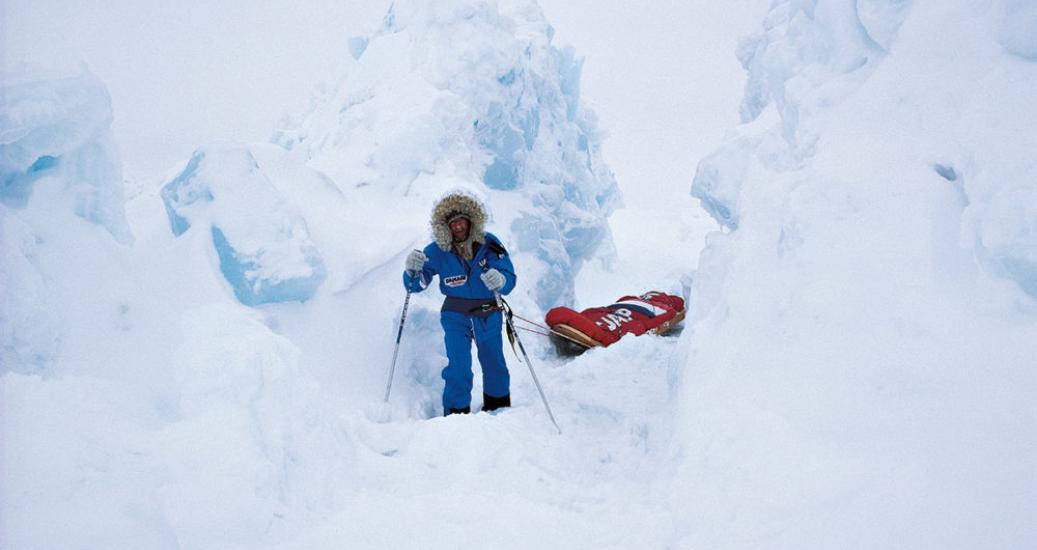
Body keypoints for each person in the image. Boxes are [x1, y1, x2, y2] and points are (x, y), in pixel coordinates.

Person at [403, 191, 517, 416]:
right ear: (445, 226)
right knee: (459, 368)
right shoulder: (436, 250)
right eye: (453, 223)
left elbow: (509, 277)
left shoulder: (489, 244)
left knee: (494, 363)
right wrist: (411, 271)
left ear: (471, 221)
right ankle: (456, 417)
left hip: (488, 311)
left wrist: (501, 280)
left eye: (461, 221)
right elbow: (416, 285)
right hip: (455, 314)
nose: (458, 227)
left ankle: (499, 410)